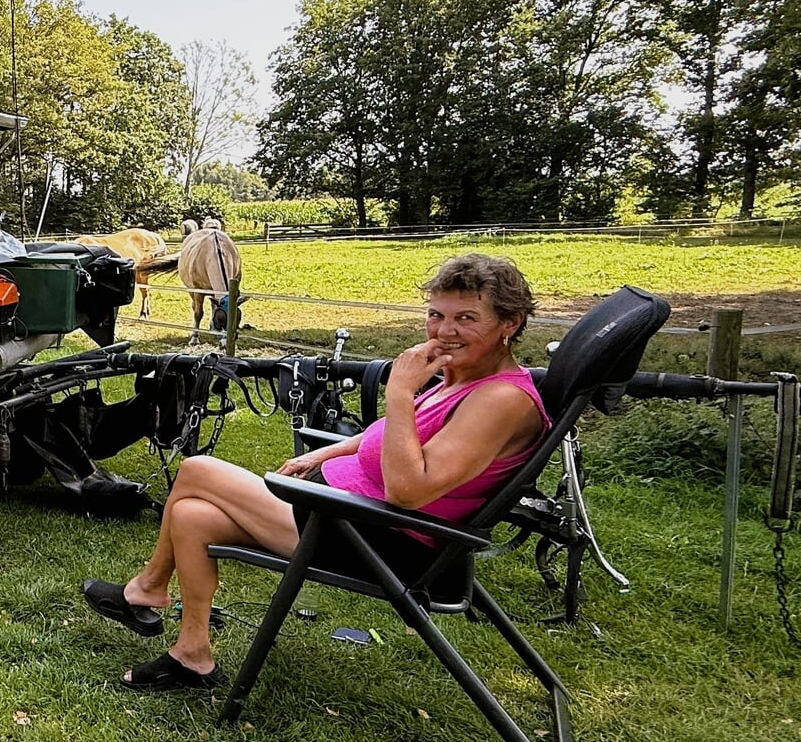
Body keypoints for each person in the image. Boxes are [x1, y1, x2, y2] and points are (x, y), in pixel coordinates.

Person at [82, 254, 550, 690]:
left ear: (509, 324)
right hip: (349, 517)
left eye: (466, 318)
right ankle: (192, 654)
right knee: (192, 516)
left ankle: (144, 590)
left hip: (382, 540)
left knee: (198, 470)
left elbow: (409, 490)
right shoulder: (462, 378)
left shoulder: (499, 400)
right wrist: (321, 457)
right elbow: (391, 437)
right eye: (437, 315)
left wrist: (401, 392)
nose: (445, 331)